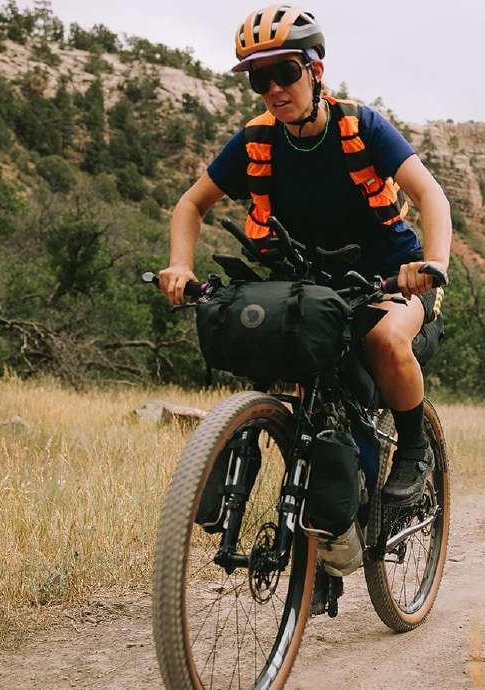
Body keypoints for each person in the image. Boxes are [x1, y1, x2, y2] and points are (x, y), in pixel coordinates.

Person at [158, 4, 452, 506]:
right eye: (259, 79)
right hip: (307, 284)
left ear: (315, 71)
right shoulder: (257, 139)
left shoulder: (362, 125)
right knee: (267, 346)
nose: (273, 89)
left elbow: (431, 196)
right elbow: (191, 204)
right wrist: (181, 266)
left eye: (285, 72)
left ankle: (414, 448)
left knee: (383, 340)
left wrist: (433, 265)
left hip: (390, 279)